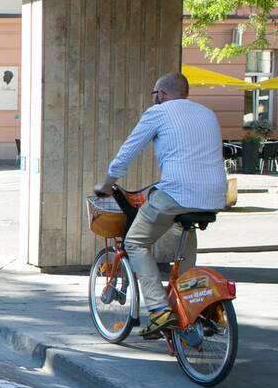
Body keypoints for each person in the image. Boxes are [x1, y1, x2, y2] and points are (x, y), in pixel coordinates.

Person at [94, 71, 227, 338]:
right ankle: (190, 304)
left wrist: (106, 185)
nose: (154, 99)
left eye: (155, 94)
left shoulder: (159, 112)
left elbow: (127, 152)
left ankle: (158, 310)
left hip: (178, 192)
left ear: (162, 94)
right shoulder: (206, 113)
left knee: (135, 243)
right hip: (213, 195)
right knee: (184, 233)